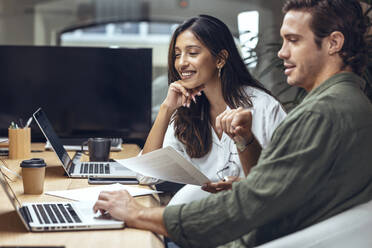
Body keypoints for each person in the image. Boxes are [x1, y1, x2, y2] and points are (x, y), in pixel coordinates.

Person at [93, 0, 372, 247]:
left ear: (334, 43)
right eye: (177, 54)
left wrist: (136, 213)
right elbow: (274, 190)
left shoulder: (317, 115)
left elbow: (251, 205)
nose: (281, 53)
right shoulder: (350, 105)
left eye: (294, 40)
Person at [138, 14, 286, 204]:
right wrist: (166, 109)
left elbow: (286, 181)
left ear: (220, 59)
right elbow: (146, 176)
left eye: (192, 53)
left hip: (252, 214)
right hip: (206, 214)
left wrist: (243, 185)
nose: (181, 63)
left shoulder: (264, 107)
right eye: (177, 54)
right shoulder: (187, 112)